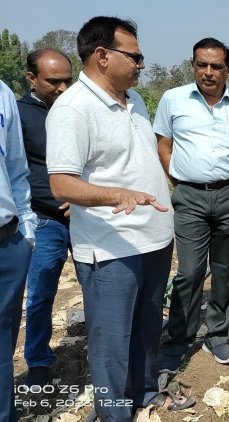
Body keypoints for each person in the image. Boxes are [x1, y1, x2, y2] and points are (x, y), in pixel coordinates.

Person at [46, 16, 193, 420]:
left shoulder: (136, 101)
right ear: (103, 56)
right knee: (111, 340)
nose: (142, 64)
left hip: (154, 241)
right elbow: (61, 183)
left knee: (147, 328)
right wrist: (116, 194)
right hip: (110, 249)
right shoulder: (73, 109)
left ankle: (145, 391)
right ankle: (113, 413)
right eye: (136, 56)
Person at [154, 37, 229, 369]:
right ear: (193, 66)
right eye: (202, 64)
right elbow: (163, 145)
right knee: (189, 270)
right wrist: (182, 179)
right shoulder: (173, 100)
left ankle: (217, 334)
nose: (208, 72)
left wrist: (225, 180)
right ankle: (180, 337)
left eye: (216, 66)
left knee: (226, 268)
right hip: (189, 195)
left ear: (228, 70)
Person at [18, 48, 73, 387]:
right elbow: (20, 171)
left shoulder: (75, 108)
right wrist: (58, 198)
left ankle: (104, 351)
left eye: (68, 80)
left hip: (86, 216)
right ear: (31, 79)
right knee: (40, 293)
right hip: (46, 220)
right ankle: (38, 359)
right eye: (54, 82)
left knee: (99, 286)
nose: (63, 88)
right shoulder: (20, 114)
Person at [0, 79, 37, 422]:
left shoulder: (2, 94)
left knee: (3, 344)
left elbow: (14, 166)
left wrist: (26, 232)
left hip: (8, 241)